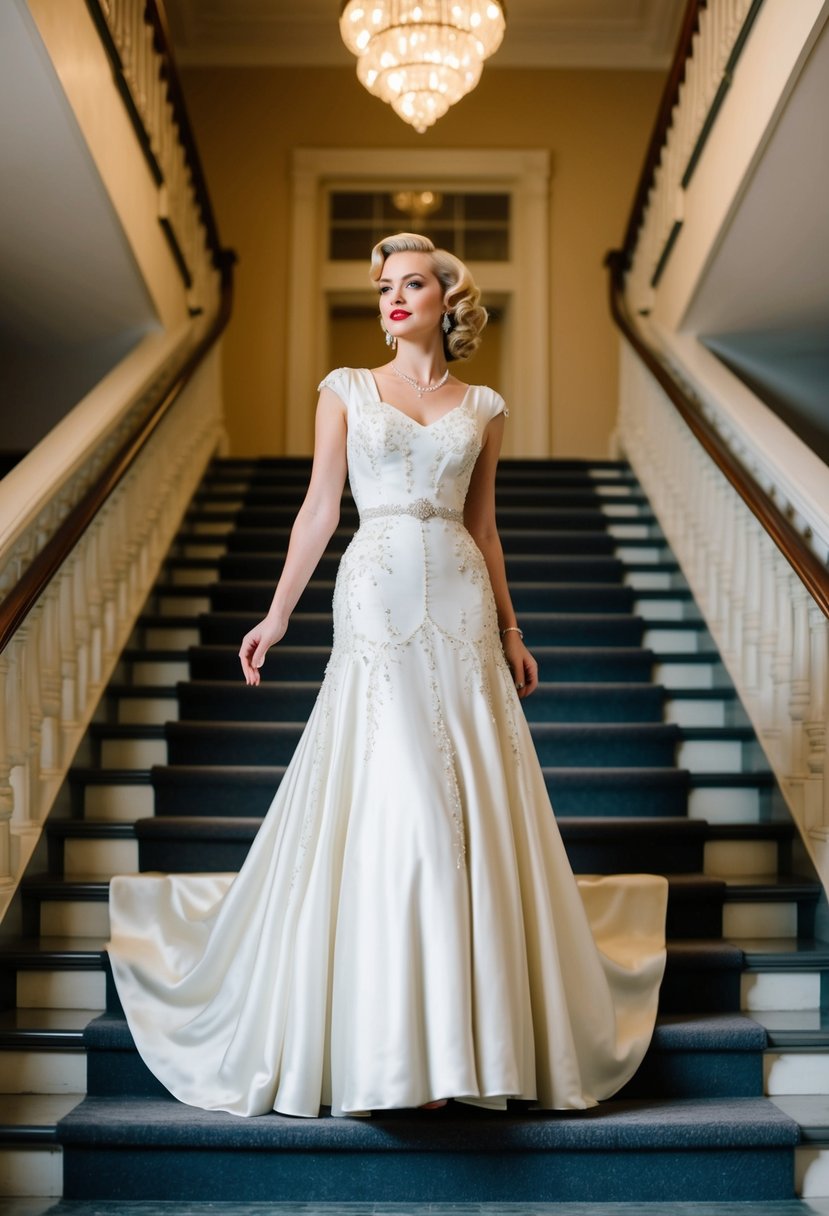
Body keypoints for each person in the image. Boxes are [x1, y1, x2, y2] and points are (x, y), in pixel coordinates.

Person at [108, 233, 667, 1119]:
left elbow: (483, 530)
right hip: (372, 591)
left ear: (448, 299)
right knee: (399, 790)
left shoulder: (483, 406)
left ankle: (459, 1047)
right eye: (383, 289)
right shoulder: (344, 390)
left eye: (411, 286)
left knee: (464, 795)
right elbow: (320, 507)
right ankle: (393, 1048)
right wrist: (277, 612)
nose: (392, 300)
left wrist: (513, 629)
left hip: (459, 596)